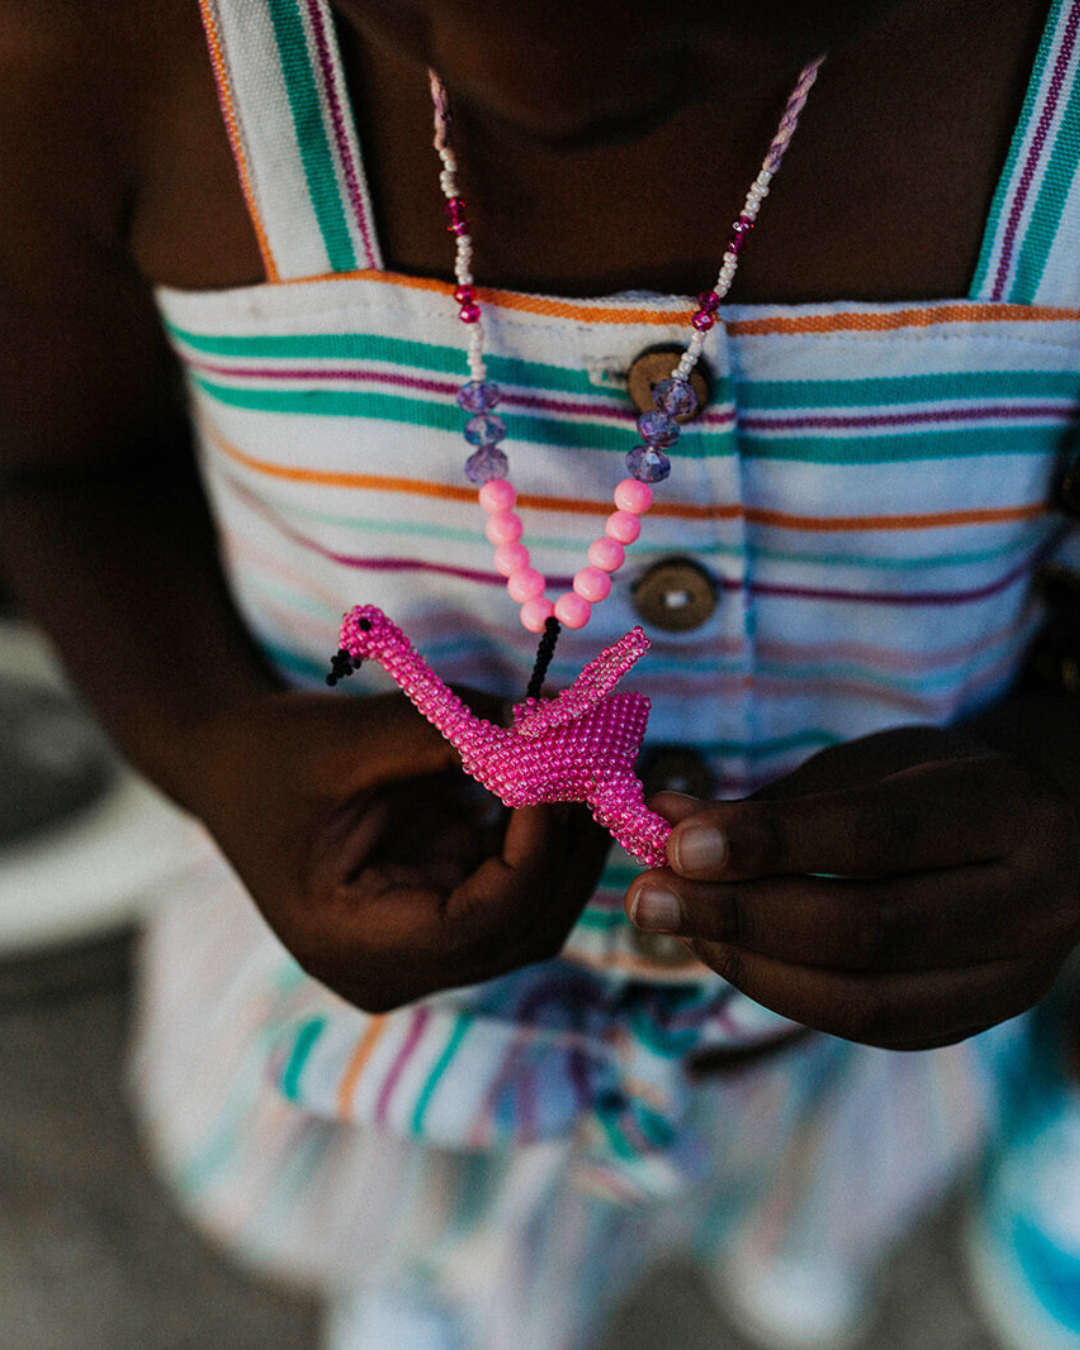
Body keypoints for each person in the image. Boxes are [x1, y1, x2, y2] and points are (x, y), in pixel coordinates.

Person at [2, 0, 1080, 1345]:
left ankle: (787, 1228)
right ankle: (435, 1282)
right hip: (389, 1018)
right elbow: (53, 472)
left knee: (822, 1183)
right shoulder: (98, 49)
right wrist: (209, 744)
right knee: (428, 1230)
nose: (536, 57)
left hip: (859, 1022)